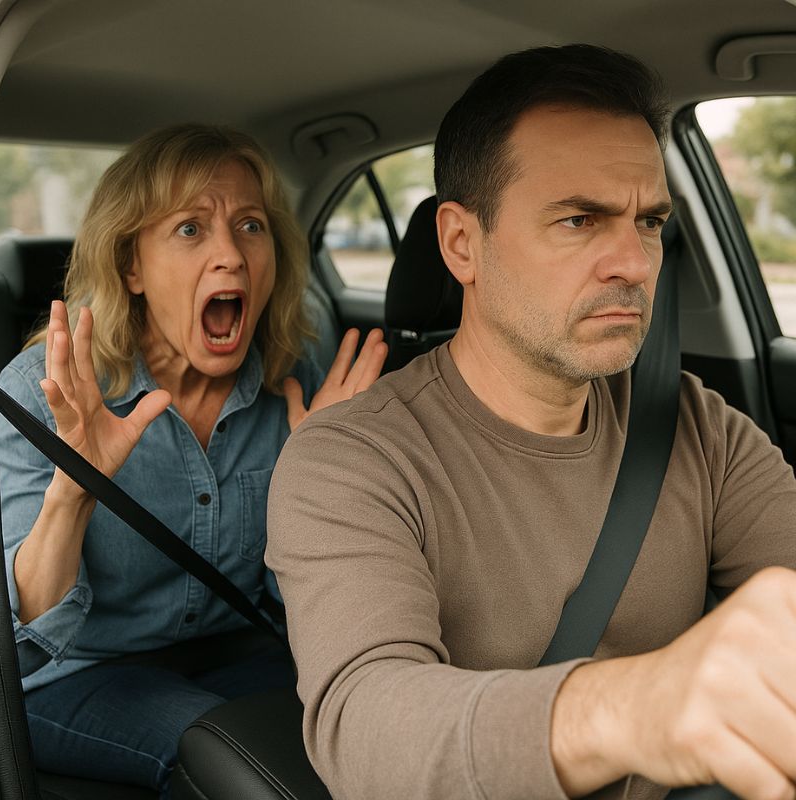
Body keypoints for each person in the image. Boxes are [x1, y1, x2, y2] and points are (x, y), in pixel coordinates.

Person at [265, 44, 796, 800]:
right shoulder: (351, 460)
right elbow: (366, 724)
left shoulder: (699, 428)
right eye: (581, 219)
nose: (637, 263)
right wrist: (632, 708)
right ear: (461, 244)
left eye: (649, 221)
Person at [0, 123, 387, 796]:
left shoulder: (294, 382)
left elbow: (300, 608)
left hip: (241, 654)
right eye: (190, 229)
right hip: (78, 676)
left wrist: (321, 485)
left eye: (251, 226)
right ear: (132, 267)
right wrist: (75, 487)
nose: (230, 255)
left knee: (379, 717)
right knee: (251, 757)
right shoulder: (43, 392)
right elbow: (26, 638)